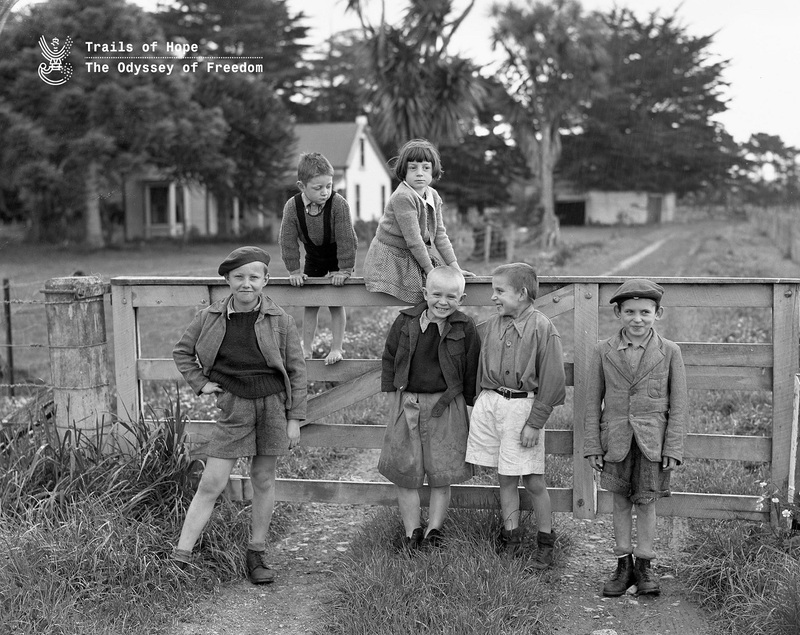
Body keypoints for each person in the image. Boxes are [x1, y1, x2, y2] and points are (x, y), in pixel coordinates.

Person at [171, 246, 307, 585]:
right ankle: (181, 556)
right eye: (238, 277)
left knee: (263, 478)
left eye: (253, 277)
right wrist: (201, 384)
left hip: (273, 404)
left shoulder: (281, 320)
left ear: (265, 280)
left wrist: (293, 419)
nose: (246, 284)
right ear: (228, 280)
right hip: (234, 406)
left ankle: (256, 552)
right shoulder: (210, 317)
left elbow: (297, 370)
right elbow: (183, 352)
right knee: (212, 482)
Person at [583, 278, 688, 597]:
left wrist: (673, 446)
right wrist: (592, 443)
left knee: (646, 504)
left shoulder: (670, 351)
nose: (637, 318)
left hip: (652, 443)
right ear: (618, 313)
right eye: (630, 311)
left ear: (658, 313)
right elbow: (591, 400)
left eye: (645, 311)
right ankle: (623, 565)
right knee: (618, 502)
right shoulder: (603, 351)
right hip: (615, 439)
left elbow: (680, 403)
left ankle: (644, 567)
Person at [465, 262, 566, 569]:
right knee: (505, 478)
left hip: (523, 410)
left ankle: (545, 543)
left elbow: (553, 380)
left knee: (533, 480)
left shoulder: (542, 328)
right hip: (495, 403)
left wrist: (535, 423)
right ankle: (512, 538)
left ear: (522, 294)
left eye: (500, 291)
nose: (493, 297)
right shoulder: (494, 324)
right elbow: (482, 366)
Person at [378, 266, 480, 549]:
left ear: (462, 298)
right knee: (405, 471)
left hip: (447, 405)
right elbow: (389, 357)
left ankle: (434, 530)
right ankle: (412, 531)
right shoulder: (405, 321)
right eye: (437, 294)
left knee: (441, 471)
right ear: (425, 293)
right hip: (408, 401)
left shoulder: (464, 327)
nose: (443, 302)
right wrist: (391, 395)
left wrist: (472, 405)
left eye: (452, 296)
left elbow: (472, 368)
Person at [363, 138, 473, 305]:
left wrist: (455, 268)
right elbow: (414, 240)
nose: (420, 173)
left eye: (426, 168)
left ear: (433, 170)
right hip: (392, 257)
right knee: (422, 298)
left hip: (415, 253)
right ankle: (410, 329)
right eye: (413, 168)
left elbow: (440, 234)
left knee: (435, 296)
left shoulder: (433, 195)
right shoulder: (403, 197)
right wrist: (431, 272)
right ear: (404, 171)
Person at [279, 152, 357, 364]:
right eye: (318, 188)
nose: (325, 192)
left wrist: (344, 270)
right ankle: (307, 349)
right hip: (313, 255)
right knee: (310, 301)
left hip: (336, 255)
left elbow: (346, 238)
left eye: (329, 186)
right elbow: (287, 240)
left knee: (335, 301)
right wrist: (294, 271)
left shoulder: (338, 204)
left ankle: (337, 348)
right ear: (302, 186)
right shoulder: (292, 207)